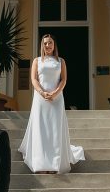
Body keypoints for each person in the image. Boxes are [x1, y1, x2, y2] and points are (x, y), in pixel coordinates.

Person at [18, 33, 85, 173]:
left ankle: (55, 163)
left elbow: (64, 80)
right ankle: (41, 164)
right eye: (45, 43)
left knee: (55, 129)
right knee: (41, 129)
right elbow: (34, 80)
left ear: (54, 45)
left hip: (57, 99)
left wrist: (55, 93)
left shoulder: (61, 61)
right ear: (42, 45)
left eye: (50, 43)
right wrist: (42, 93)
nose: (47, 45)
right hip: (40, 99)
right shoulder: (37, 61)